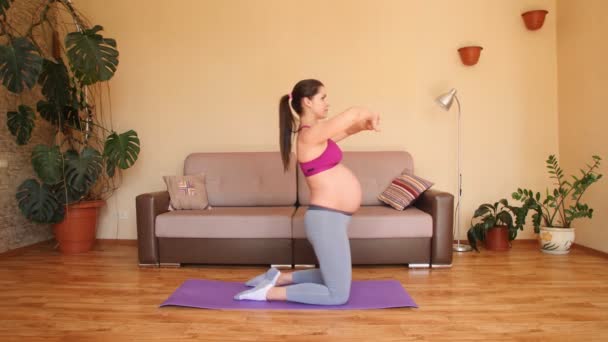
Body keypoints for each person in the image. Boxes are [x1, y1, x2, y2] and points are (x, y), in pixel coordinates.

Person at [234, 79, 380, 305]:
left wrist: (362, 126)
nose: (327, 103)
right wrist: (366, 113)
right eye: (322, 98)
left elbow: (348, 127)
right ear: (307, 102)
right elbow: (352, 114)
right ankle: (267, 293)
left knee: (336, 276)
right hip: (326, 219)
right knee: (338, 295)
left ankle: (279, 278)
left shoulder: (317, 135)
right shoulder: (308, 135)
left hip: (334, 219)